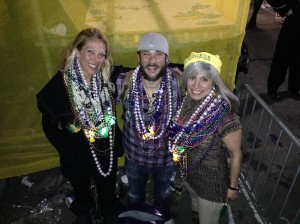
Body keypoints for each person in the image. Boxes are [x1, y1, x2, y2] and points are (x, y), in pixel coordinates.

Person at [36, 28, 122, 224]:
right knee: (81, 191)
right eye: (90, 51)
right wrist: (67, 151)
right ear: (77, 51)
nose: (96, 59)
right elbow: (49, 126)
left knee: (107, 189)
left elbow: (143, 68)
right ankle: (85, 209)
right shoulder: (59, 86)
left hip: (105, 149)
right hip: (76, 153)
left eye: (101, 54)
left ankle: (108, 209)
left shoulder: (106, 78)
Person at [168, 52, 242, 224]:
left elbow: (235, 153)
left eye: (205, 79)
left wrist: (233, 187)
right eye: (192, 77)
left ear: (214, 82)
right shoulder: (187, 99)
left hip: (211, 185)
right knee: (194, 206)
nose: (197, 85)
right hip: (190, 176)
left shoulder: (224, 115)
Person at [116, 32, 182, 224]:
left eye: (158, 54)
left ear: (167, 58)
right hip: (135, 157)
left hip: (166, 159)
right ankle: (135, 218)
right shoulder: (123, 81)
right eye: (146, 54)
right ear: (138, 57)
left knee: (164, 194)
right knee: (135, 195)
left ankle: (162, 217)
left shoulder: (180, 83)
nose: (152, 60)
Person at [267, 0, 300, 101]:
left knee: (298, 59)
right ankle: (273, 88)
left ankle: (295, 87)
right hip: (294, 20)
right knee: (283, 56)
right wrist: (285, 9)